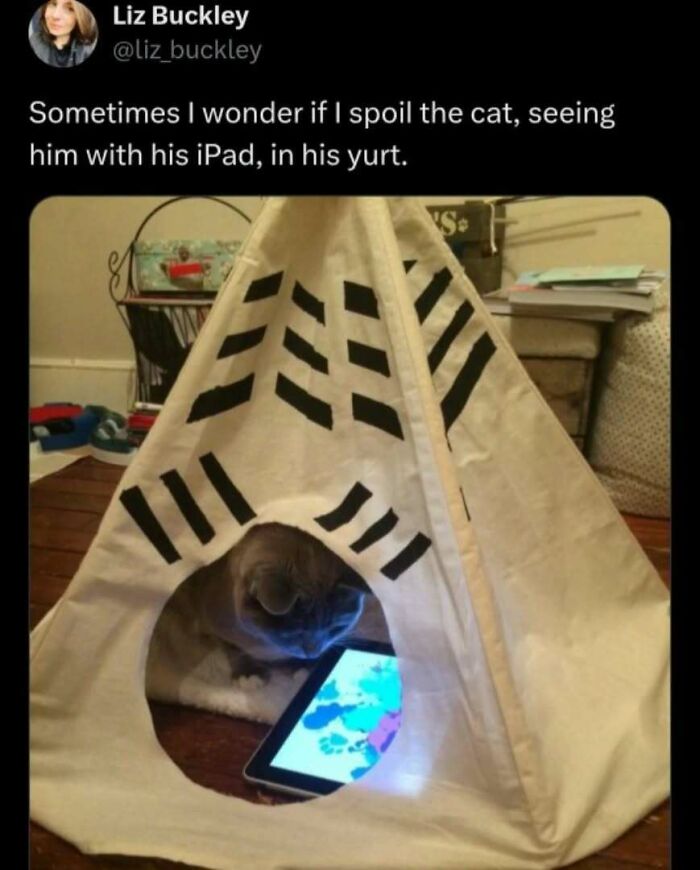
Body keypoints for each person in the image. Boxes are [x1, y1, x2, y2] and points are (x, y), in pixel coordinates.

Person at [29, 0, 97, 68]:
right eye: (53, 4)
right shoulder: (34, 42)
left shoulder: (87, 48)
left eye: (70, 8)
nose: (55, 15)